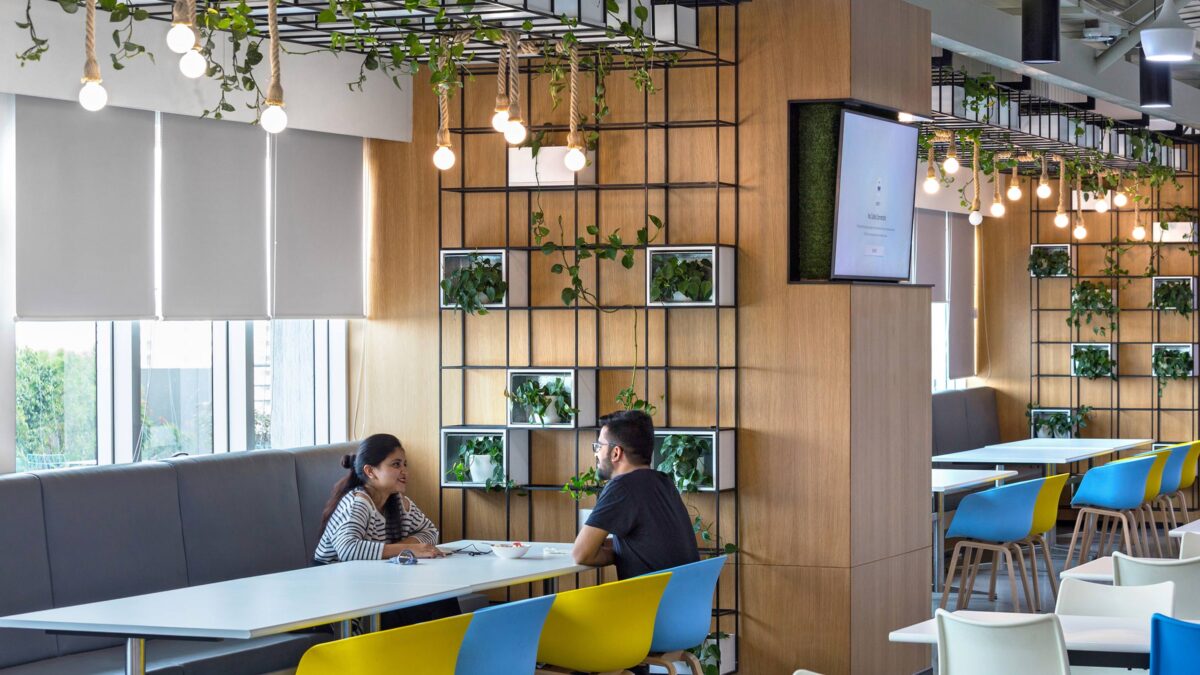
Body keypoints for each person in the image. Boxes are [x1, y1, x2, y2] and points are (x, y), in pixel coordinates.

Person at [572, 410, 699, 579]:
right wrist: (622, 551)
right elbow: (650, 543)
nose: (596, 453)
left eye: (599, 446)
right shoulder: (663, 482)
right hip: (682, 601)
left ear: (616, 452)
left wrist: (619, 554)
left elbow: (581, 554)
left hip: (649, 602)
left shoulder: (622, 487)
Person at [314, 433, 443, 563]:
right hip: (331, 578)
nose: (405, 472)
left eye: (405, 464)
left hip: (368, 577)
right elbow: (348, 549)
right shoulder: (358, 502)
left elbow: (431, 532)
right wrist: (408, 548)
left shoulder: (400, 502)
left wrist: (402, 548)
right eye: (396, 464)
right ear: (370, 471)